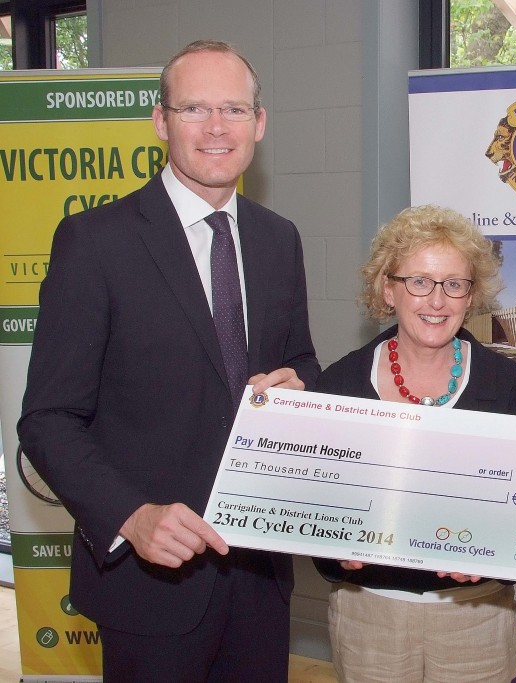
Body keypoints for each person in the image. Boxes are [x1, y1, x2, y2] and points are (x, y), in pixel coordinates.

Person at [18, 40, 319, 682]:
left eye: (234, 110)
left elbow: (302, 365)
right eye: (195, 109)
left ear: (259, 124)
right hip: (148, 586)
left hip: (258, 578)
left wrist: (301, 392)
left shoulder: (277, 238)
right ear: (161, 122)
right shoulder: (94, 243)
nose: (217, 128)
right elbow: (46, 419)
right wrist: (132, 515)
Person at [312, 204, 516, 683]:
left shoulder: (505, 383)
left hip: (476, 621)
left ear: (471, 295)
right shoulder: (341, 383)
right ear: (387, 289)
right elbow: (318, 511)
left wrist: (490, 555)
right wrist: (336, 548)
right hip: (368, 617)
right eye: (419, 281)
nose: (437, 300)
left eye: (455, 283)